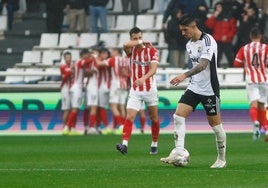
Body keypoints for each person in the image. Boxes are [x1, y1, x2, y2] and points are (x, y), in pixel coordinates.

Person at [160, 14, 227, 168]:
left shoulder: (208, 40)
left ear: (193, 26)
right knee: (178, 115)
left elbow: (203, 65)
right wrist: (189, 78)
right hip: (194, 87)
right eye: (181, 30)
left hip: (210, 89)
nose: (183, 33)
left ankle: (221, 159)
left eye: (185, 30)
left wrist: (184, 75)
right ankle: (178, 152)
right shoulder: (189, 44)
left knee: (216, 126)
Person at [116, 27, 160, 155]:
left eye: (140, 37)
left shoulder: (152, 50)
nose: (138, 40)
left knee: (154, 118)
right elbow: (125, 45)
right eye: (135, 39)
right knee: (129, 117)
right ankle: (124, 145)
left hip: (150, 89)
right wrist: (139, 42)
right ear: (131, 39)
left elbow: (154, 69)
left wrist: (143, 78)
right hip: (135, 90)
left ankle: (154, 143)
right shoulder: (131, 50)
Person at [233, 27, 268, 142]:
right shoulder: (265, 48)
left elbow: (236, 63)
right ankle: (267, 130)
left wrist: (246, 64)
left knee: (254, 104)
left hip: (251, 80)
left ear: (250, 36)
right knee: (262, 106)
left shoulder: (244, 48)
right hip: (264, 80)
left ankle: (256, 122)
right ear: (260, 36)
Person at [62, 48, 92, 135]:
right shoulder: (80, 61)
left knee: (75, 109)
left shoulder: (76, 63)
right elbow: (87, 62)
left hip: (74, 87)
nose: (88, 56)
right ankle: (67, 127)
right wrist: (93, 57)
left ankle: (72, 128)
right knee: (75, 109)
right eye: (87, 54)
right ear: (83, 55)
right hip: (77, 88)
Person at [205, 2, 237, 67]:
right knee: (216, 59)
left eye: (219, 7)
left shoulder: (230, 17)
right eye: (216, 8)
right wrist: (214, 16)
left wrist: (227, 36)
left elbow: (233, 29)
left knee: (231, 59)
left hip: (227, 41)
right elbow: (208, 25)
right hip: (217, 41)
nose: (218, 9)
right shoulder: (214, 17)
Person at [60, 52, 72, 128]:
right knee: (66, 109)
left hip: (71, 89)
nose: (69, 59)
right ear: (64, 58)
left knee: (71, 109)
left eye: (69, 57)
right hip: (65, 89)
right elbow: (66, 76)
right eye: (67, 57)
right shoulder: (63, 66)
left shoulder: (72, 65)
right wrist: (61, 85)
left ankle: (69, 126)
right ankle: (64, 126)